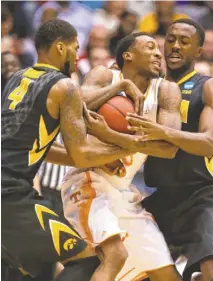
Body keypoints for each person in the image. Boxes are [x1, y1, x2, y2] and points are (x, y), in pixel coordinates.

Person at [1, 19, 144, 281]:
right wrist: (128, 146)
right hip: (10, 194)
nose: (78, 56)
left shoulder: (18, 78)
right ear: (59, 48)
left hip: (8, 190)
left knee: (34, 268)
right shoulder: (64, 86)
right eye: (75, 48)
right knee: (88, 260)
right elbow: (81, 154)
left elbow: (40, 149)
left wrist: (119, 86)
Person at [61, 32, 183, 281]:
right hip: (89, 179)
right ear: (127, 55)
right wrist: (119, 88)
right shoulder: (105, 75)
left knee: (167, 273)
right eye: (150, 47)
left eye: (159, 49)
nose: (159, 53)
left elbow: (169, 148)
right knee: (115, 255)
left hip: (123, 189)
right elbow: (75, 105)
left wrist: (110, 135)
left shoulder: (167, 91)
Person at [127, 18, 213, 281]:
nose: (175, 46)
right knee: (121, 269)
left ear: (199, 51)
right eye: (171, 39)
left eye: (184, 42)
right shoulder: (147, 88)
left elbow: (209, 142)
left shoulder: (211, 87)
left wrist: (164, 133)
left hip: (202, 196)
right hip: (160, 197)